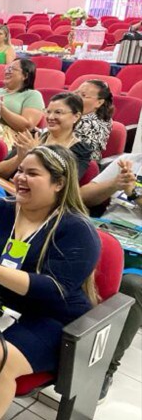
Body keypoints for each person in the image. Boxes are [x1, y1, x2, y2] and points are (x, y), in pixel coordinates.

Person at [0, 145, 100, 420]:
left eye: (32, 173)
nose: (20, 177)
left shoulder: (76, 229)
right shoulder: (0, 210)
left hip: (52, 317)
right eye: (20, 170)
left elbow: (53, 290)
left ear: (59, 183)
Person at [80, 153, 142, 403]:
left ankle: (105, 367)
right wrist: (114, 185)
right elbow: (84, 195)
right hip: (108, 231)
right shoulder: (129, 160)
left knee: (132, 286)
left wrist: (134, 193)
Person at [0, 93, 92, 183]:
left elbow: (63, 185)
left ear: (76, 116)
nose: (50, 117)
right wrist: (20, 158)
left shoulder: (80, 151)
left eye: (58, 112)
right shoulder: (34, 137)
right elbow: (0, 172)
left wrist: (35, 152)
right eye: (48, 111)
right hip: (12, 189)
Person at [0, 58, 44, 149]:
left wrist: (0, 107)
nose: (7, 72)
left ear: (25, 75)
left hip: (9, 137)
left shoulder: (32, 95)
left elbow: (26, 127)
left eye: (12, 69)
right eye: (7, 69)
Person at [74, 80, 115, 161]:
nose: (75, 97)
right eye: (76, 93)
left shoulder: (88, 123)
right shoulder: (78, 116)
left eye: (83, 95)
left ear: (99, 102)